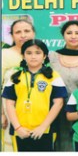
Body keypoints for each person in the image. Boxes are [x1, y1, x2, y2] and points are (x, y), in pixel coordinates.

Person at [2, 39, 68, 151]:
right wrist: (18, 127)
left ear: (44, 56)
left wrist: (43, 127)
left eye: (38, 53)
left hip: (46, 130)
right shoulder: (15, 77)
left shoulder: (53, 76)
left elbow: (58, 103)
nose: (33, 56)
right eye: (29, 53)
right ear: (23, 56)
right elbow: (9, 104)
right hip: (20, 131)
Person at [48, 20, 78, 151]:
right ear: (63, 35)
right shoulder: (52, 56)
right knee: (58, 144)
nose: (73, 36)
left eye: (77, 33)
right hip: (55, 109)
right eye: (69, 33)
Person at [1, 19, 35, 152]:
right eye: (18, 32)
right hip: (10, 110)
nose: (23, 35)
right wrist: (2, 113)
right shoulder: (4, 55)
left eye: (27, 31)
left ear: (33, 33)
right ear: (12, 36)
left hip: (37, 112)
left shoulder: (42, 54)